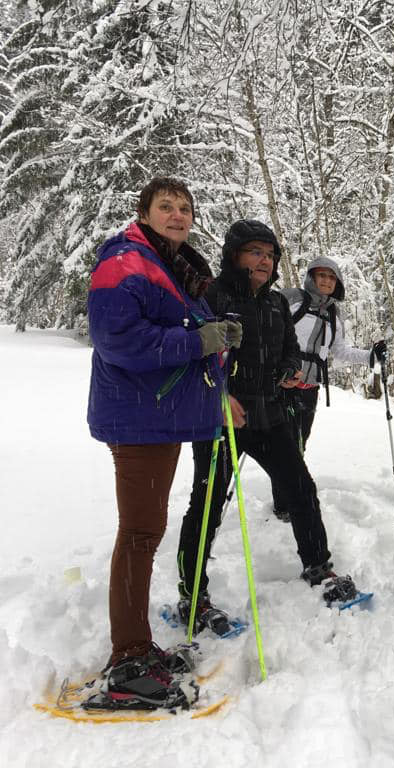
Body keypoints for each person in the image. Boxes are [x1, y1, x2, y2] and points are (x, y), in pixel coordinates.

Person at [88, 177, 240, 706]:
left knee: (145, 530)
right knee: (139, 532)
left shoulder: (172, 268)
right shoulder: (127, 262)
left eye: (184, 208)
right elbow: (117, 339)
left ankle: (136, 648)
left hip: (158, 416)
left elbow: (176, 332)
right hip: (138, 417)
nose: (177, 215)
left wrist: (213, 339)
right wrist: (198, 339)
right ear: (145, 211)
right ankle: (127, 659)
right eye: (166, 206)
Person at [175, 220, 359, 630]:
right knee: (207, 505)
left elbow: (289, 352)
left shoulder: (276, 304)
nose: (263, 260)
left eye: (270, 254)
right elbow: (188, 358)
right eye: (254, 252)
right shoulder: (211, 295)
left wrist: (289, 371)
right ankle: (193, 596)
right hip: (221, 419)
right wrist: (220, 397)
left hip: (270, 415)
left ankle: (317, 566)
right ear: (235, 254)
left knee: (300, 488)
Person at [270, 257, 387, 522]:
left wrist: (372, 356)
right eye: (321, 275)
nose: (325, 281)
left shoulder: (335, 314)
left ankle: (287, 497)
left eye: (331, 277)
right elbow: (269, 331)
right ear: (311, 276)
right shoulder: (292, 299)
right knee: (285, 445)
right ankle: (285, 503)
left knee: (299, 444)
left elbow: (339, 351)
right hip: (282, 383)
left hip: (309, 388)